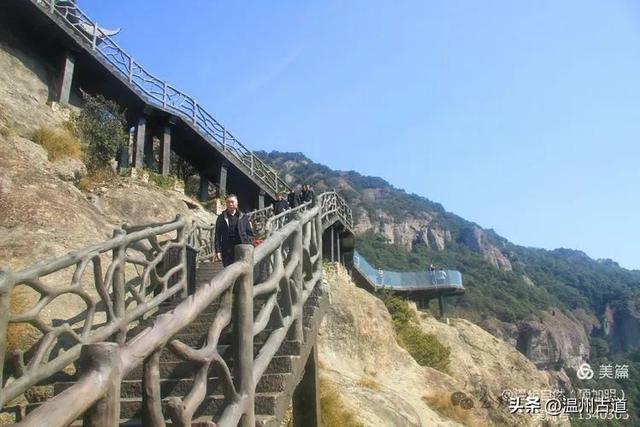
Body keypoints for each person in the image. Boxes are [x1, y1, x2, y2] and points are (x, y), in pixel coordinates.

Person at [214, 194, 255, 267]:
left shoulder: (243, 216)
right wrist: (218, 250)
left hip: (242, 248)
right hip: (227, 249)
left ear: (237, 203)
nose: (230, 204)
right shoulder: (221, 218)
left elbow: (250, 233)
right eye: (228, 202)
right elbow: (217, 235)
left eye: (232, 202)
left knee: (242, 270)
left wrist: (248, 243)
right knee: (229, 271)